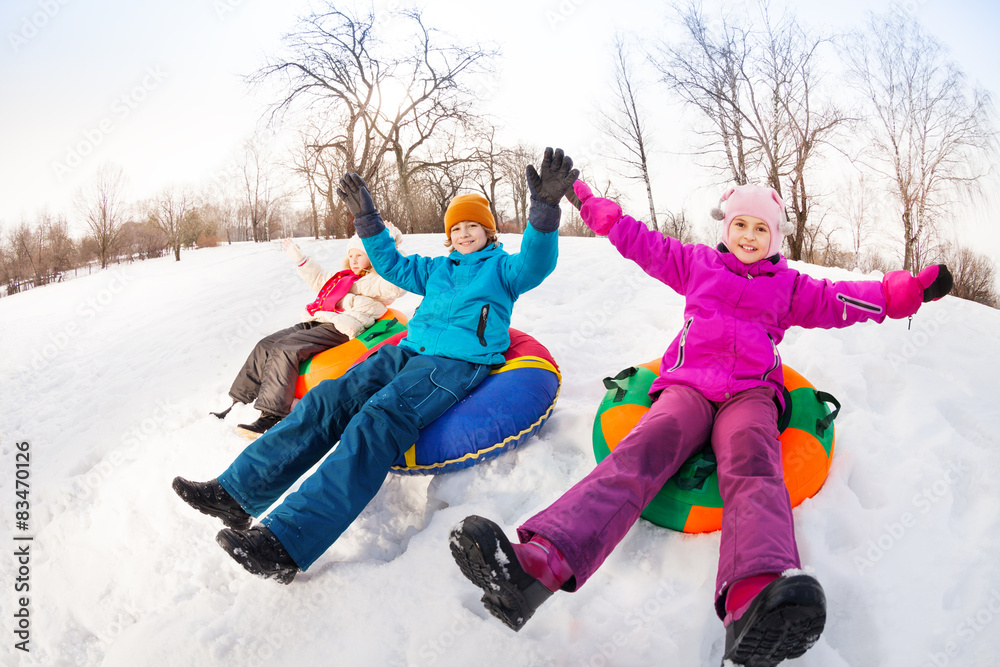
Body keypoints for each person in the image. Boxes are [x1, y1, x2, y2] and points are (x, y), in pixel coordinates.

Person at [449, 181, 953, 666]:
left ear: (775, 238)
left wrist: (904, 293)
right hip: (687, 386)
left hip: (752, 393)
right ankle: (538, 565)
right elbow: (643, 244)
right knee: (642, 450)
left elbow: (843, 299)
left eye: (761, 229)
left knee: (754, 463)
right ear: (726, 227)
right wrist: (593, 205)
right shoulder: (698, 264)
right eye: (741, 225)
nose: (750, 236)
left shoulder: (791, 286)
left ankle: (755, 597)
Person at [173, 147, 579, 584]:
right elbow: (390, 264)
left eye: (473, 227)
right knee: (329, 401)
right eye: (456, 227)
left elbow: (537, 264)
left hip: (456, 363)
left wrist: (544, 213)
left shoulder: (503, 269)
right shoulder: (437, 269)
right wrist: (368, 219)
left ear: (489, 232)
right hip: (409, 350)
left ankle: (287, 543)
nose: (464, 234)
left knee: (377, 421)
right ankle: (236, 493)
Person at [212, 226, 405, 438]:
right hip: (319, 319)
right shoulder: (342, 277)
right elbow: (319, 278)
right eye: (351, 255)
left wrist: (388, 245)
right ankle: (239, 402)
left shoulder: (378, 282)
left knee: (285, 349)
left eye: (360, 255)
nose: (354, 260)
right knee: (265, 345)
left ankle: (271, 416)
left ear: (373, 257)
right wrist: (300, 258)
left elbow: (397, 285)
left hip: (341, 327)